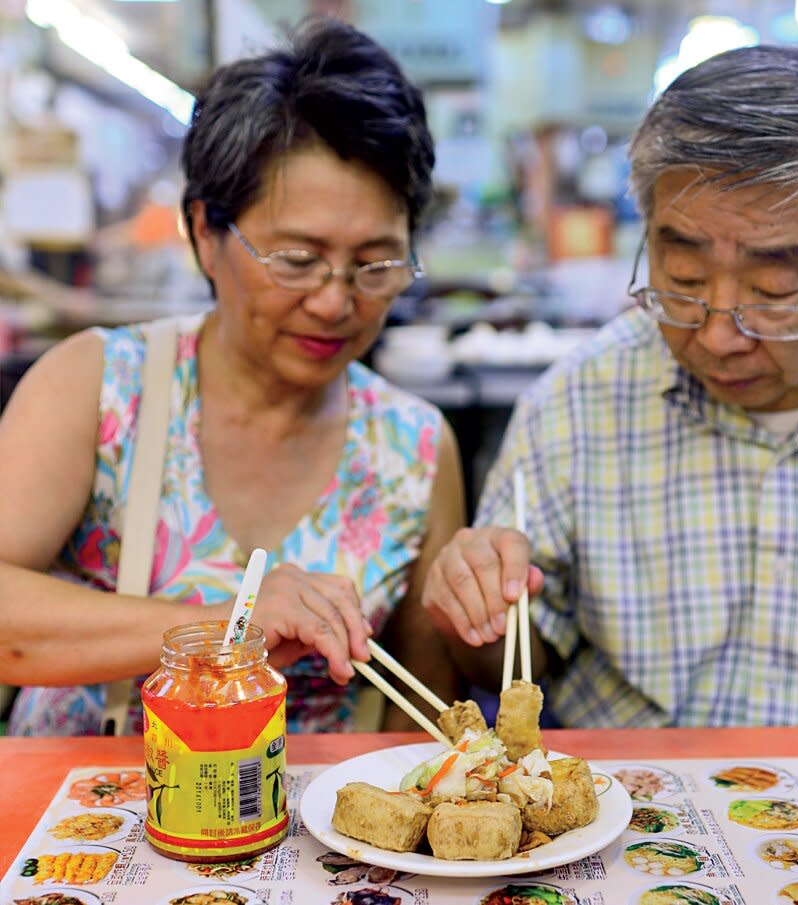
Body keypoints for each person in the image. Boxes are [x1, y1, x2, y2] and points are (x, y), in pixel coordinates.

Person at [0, 17, 466, 735]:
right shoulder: (101, 386)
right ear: (205, 235)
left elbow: (422, 713)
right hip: (91, 829)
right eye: (297, 259)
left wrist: (475, 603)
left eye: (375, 263)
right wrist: (224, 624)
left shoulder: (412, 447)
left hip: (307, 837)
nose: (336, 300)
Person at [422, 45, 798, 728]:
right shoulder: (579, 401)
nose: (716, 335)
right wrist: (479, 609)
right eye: (680, 279)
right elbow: (511, 667)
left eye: (772, 292)